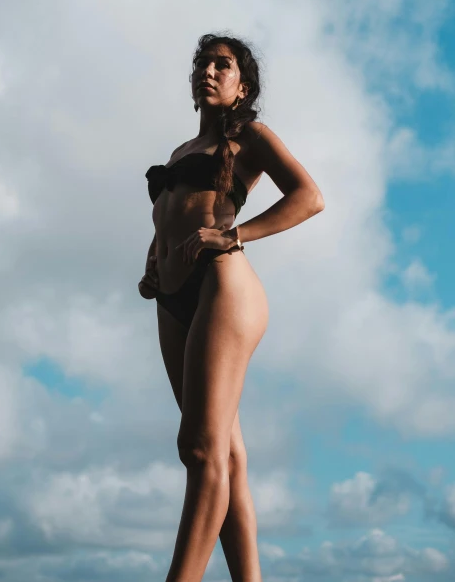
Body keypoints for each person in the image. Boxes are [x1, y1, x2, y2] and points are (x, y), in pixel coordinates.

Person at [138, 33, 324, 582]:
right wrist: (154, 260)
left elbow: (308, 196)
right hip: (172, 300)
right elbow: (170, 218)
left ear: (243, 86)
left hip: (224, 287)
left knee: (198, 450)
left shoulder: (250, 137)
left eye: (223, 65)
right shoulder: (178, 154)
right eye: (203, 63)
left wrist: (236, 235)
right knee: (224, 457)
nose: (209, 71)